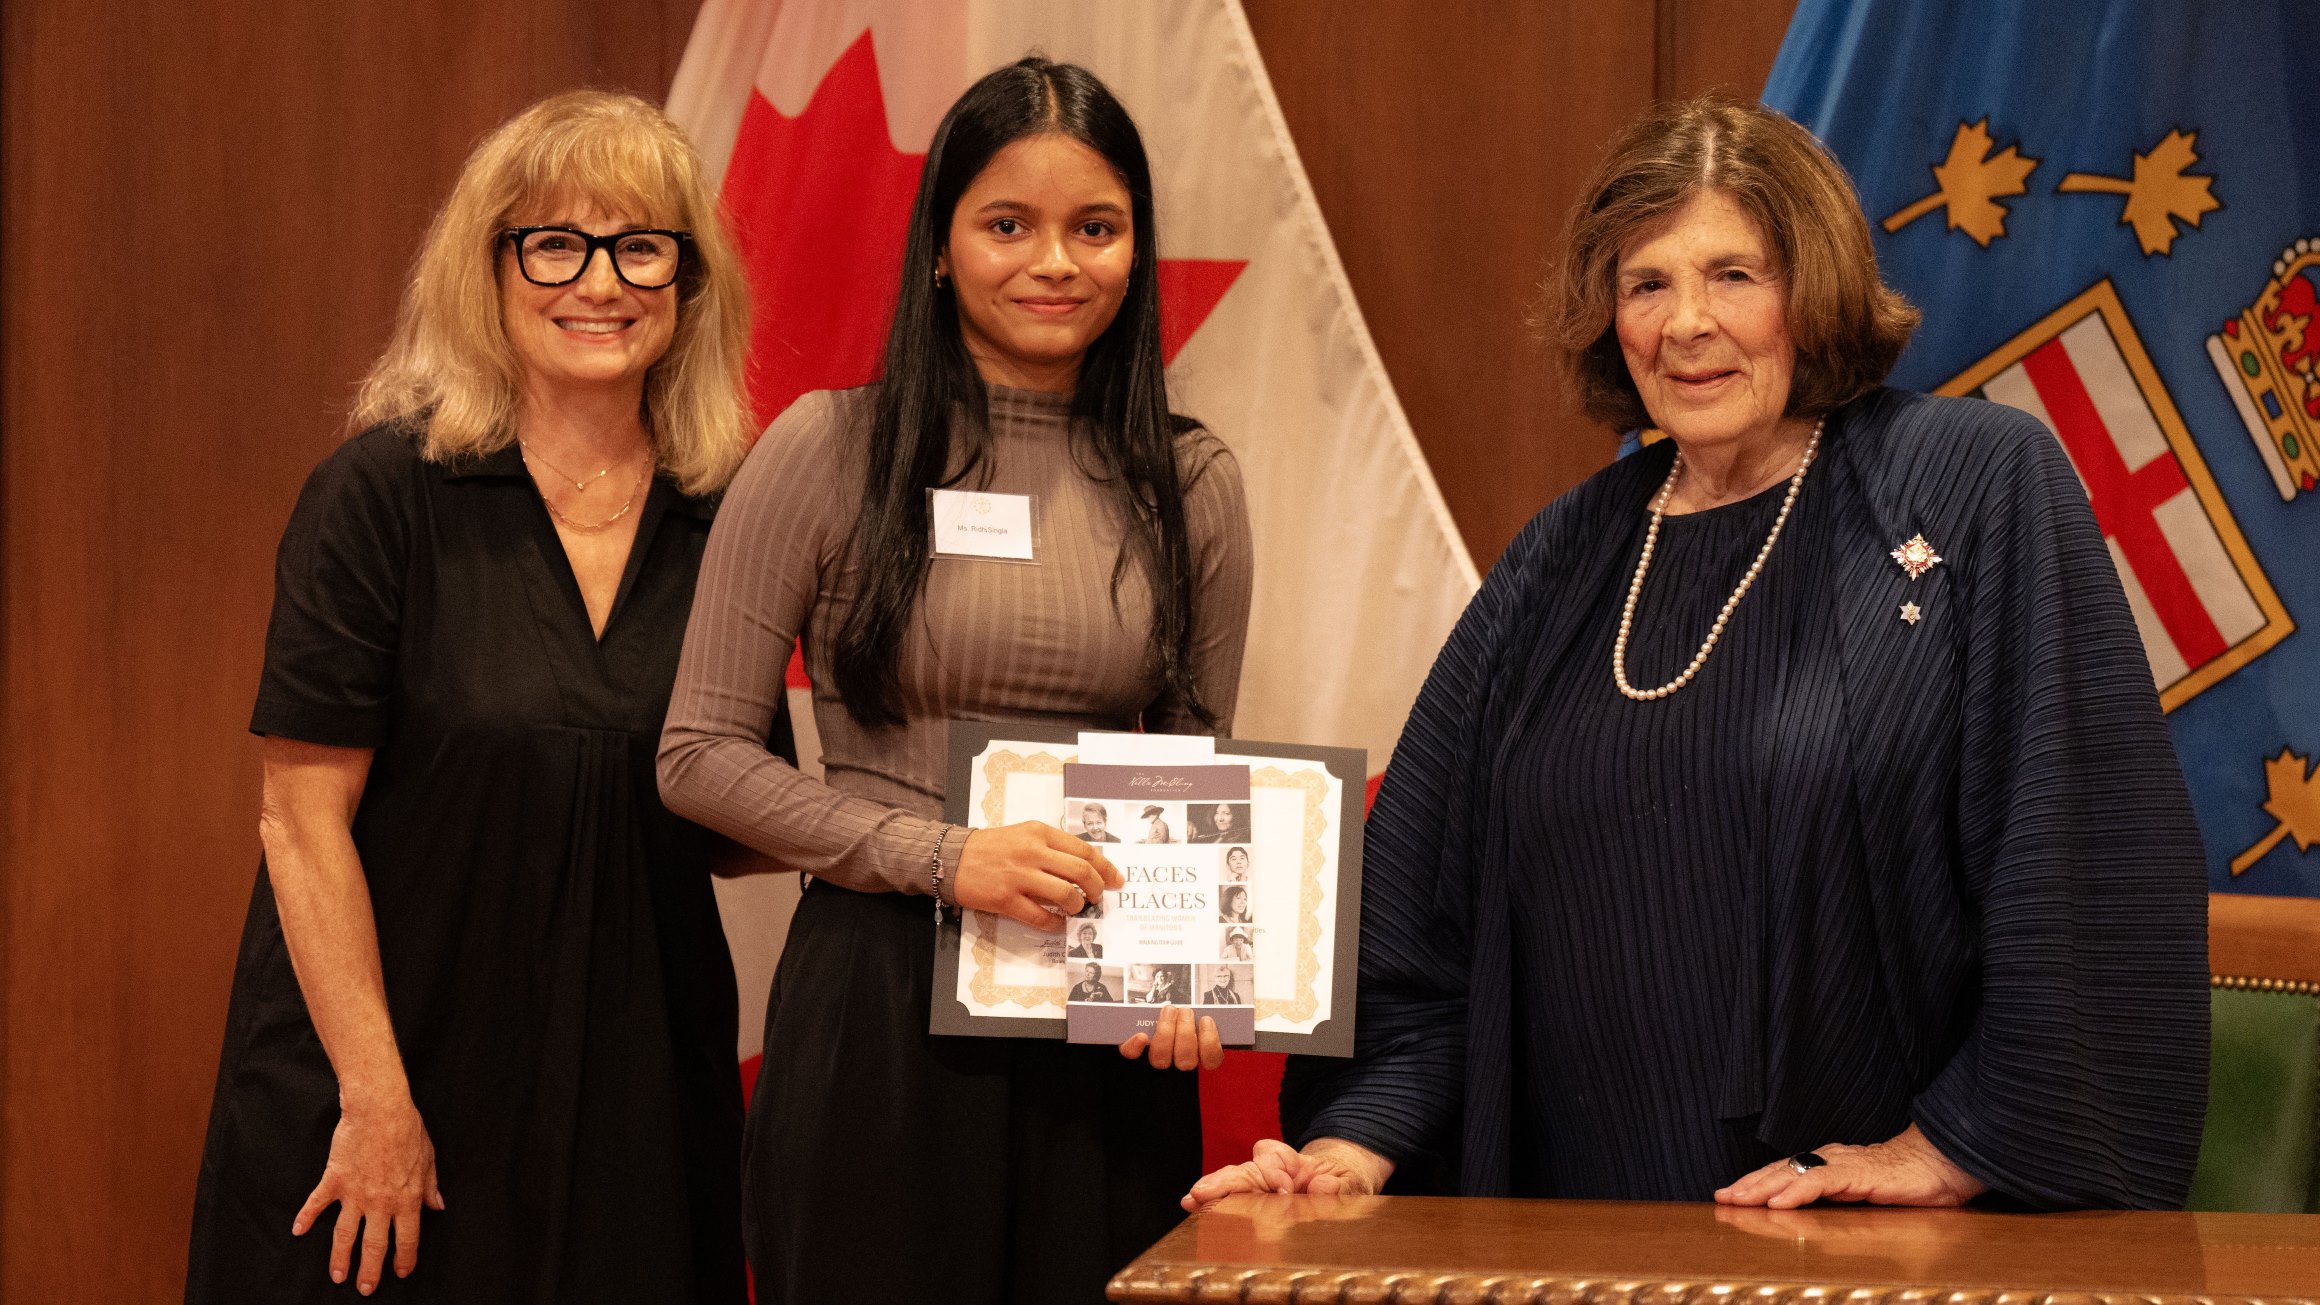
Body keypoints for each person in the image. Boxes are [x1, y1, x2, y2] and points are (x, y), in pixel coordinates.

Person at [1191, 97, 2207, 1214]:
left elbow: (2083, 847)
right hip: (1579, 1229)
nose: (1686, 324)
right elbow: (1421, 918)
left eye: (1734, 275)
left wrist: (1957, 1145)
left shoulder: (1974, 484)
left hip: (1851, 1239)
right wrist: (1355, 1148)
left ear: (1810, 289)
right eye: (1646, 284)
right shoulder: (1564, 556)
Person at [655, 56, 1254, 1305]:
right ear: (939, 249)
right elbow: (698, 759)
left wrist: (1197, 974)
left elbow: (1195, 772)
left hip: (1103, 1031)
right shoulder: (827, 449)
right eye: (1007, 225)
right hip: (877, 1009)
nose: (1054, 262)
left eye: (1095, 228)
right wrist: (945, 855)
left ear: (1135, 251)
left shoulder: (1191, 482)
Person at [186, 92, 759, 1303]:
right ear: (485, 270)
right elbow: (299, 820)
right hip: (392, 1074)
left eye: (640, 245)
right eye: (554, 242)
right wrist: (378, 1098)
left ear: (688, 279)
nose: (599, 282)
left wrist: (936, 841)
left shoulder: (730, 519)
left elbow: (725, 811)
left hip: (633, 1083)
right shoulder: (385, 493)